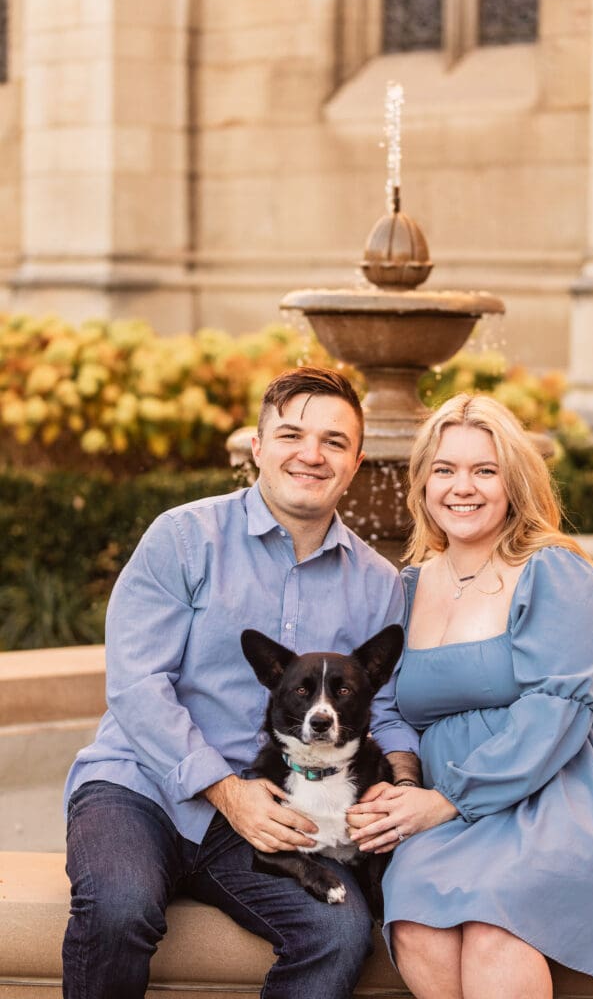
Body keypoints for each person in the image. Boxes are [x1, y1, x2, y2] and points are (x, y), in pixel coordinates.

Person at [61, 366, 420, 999]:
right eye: (291, 435)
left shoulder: (377, 582)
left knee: (338, 934)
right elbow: (137, 684)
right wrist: (228, 791)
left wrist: (402, 785)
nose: (311, 454)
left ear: (356, 462)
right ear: (257, 448)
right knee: (119, 908)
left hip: (276, 816)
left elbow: (385, 709)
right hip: (139, 787)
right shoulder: (183, 537)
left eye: (334, 441)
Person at [348, 392, 593, 999]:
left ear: (513, 482)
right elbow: (389, 706)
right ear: (422, 484)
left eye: (485, 469)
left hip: (562, 789)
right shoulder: (409, 585)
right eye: (445, 470)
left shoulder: (551, 569)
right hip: (445, 801)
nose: (462, 487)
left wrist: (448, 799)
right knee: (418, 927)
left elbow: (557, 709)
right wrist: (402, 786)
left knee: (493, 931)